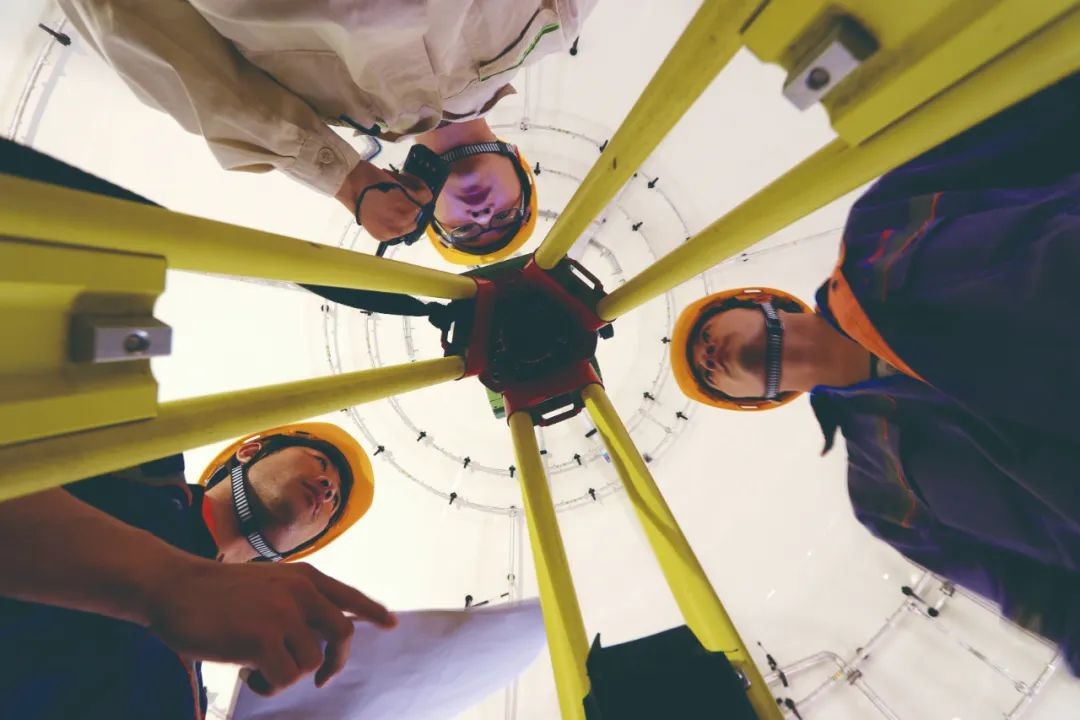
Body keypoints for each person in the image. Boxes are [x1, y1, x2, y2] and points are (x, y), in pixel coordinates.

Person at [669, 74, 1080, 673]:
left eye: (704, 333)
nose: (707, 357)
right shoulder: (883, 498)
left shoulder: (883, 227)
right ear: (761, 400)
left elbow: (1042, 118)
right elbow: (1042, 597)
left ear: (764, 300)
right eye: (708, 377)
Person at [57, 0, 595, 264]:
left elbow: (164, 56)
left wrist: (345, 179)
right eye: (505, 214)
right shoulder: (557, 24)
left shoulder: (298, 110)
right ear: (518, 163)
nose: (481, 215)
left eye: (467, 230)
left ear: (430, 214)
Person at [0, 422, 394, 719]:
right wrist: (168, 581)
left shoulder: (188, 698)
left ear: (293, 554)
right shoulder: (142, 462)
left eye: (334, 501)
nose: (327, 487)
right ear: (249, 451)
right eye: (321, 463)